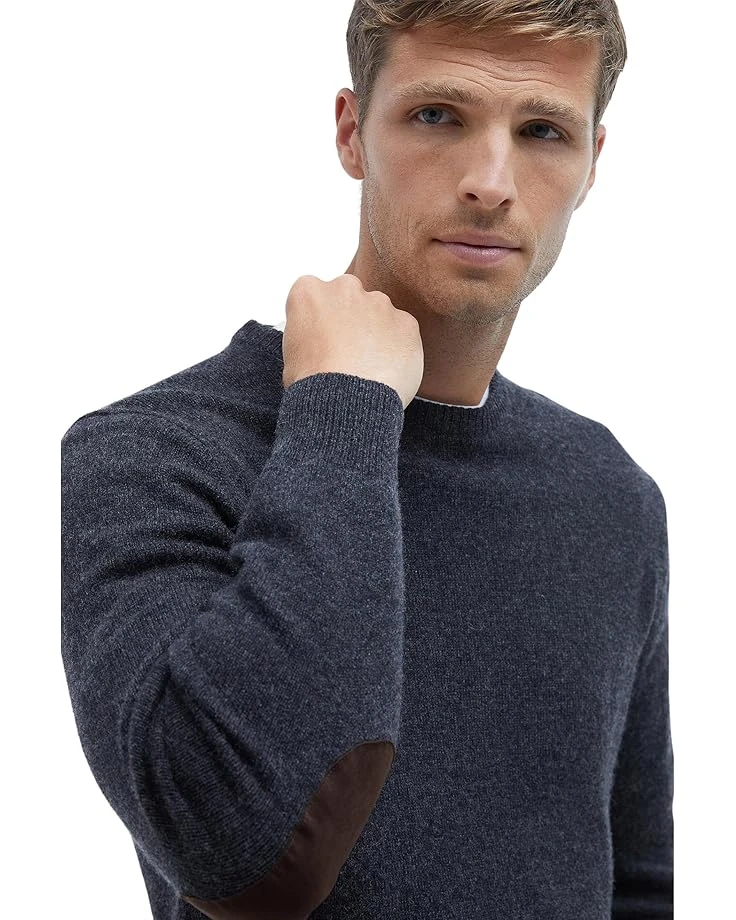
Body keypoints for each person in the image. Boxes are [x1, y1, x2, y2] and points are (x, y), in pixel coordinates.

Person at [60, 1, 674, 918]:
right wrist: (344, 411)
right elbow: (243, 853)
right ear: (351, 132)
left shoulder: (608, 493)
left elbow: (637, 885)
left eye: (543, 132)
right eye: (437, 116)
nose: (490, 182)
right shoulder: (152, 454)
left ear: (592, 163)